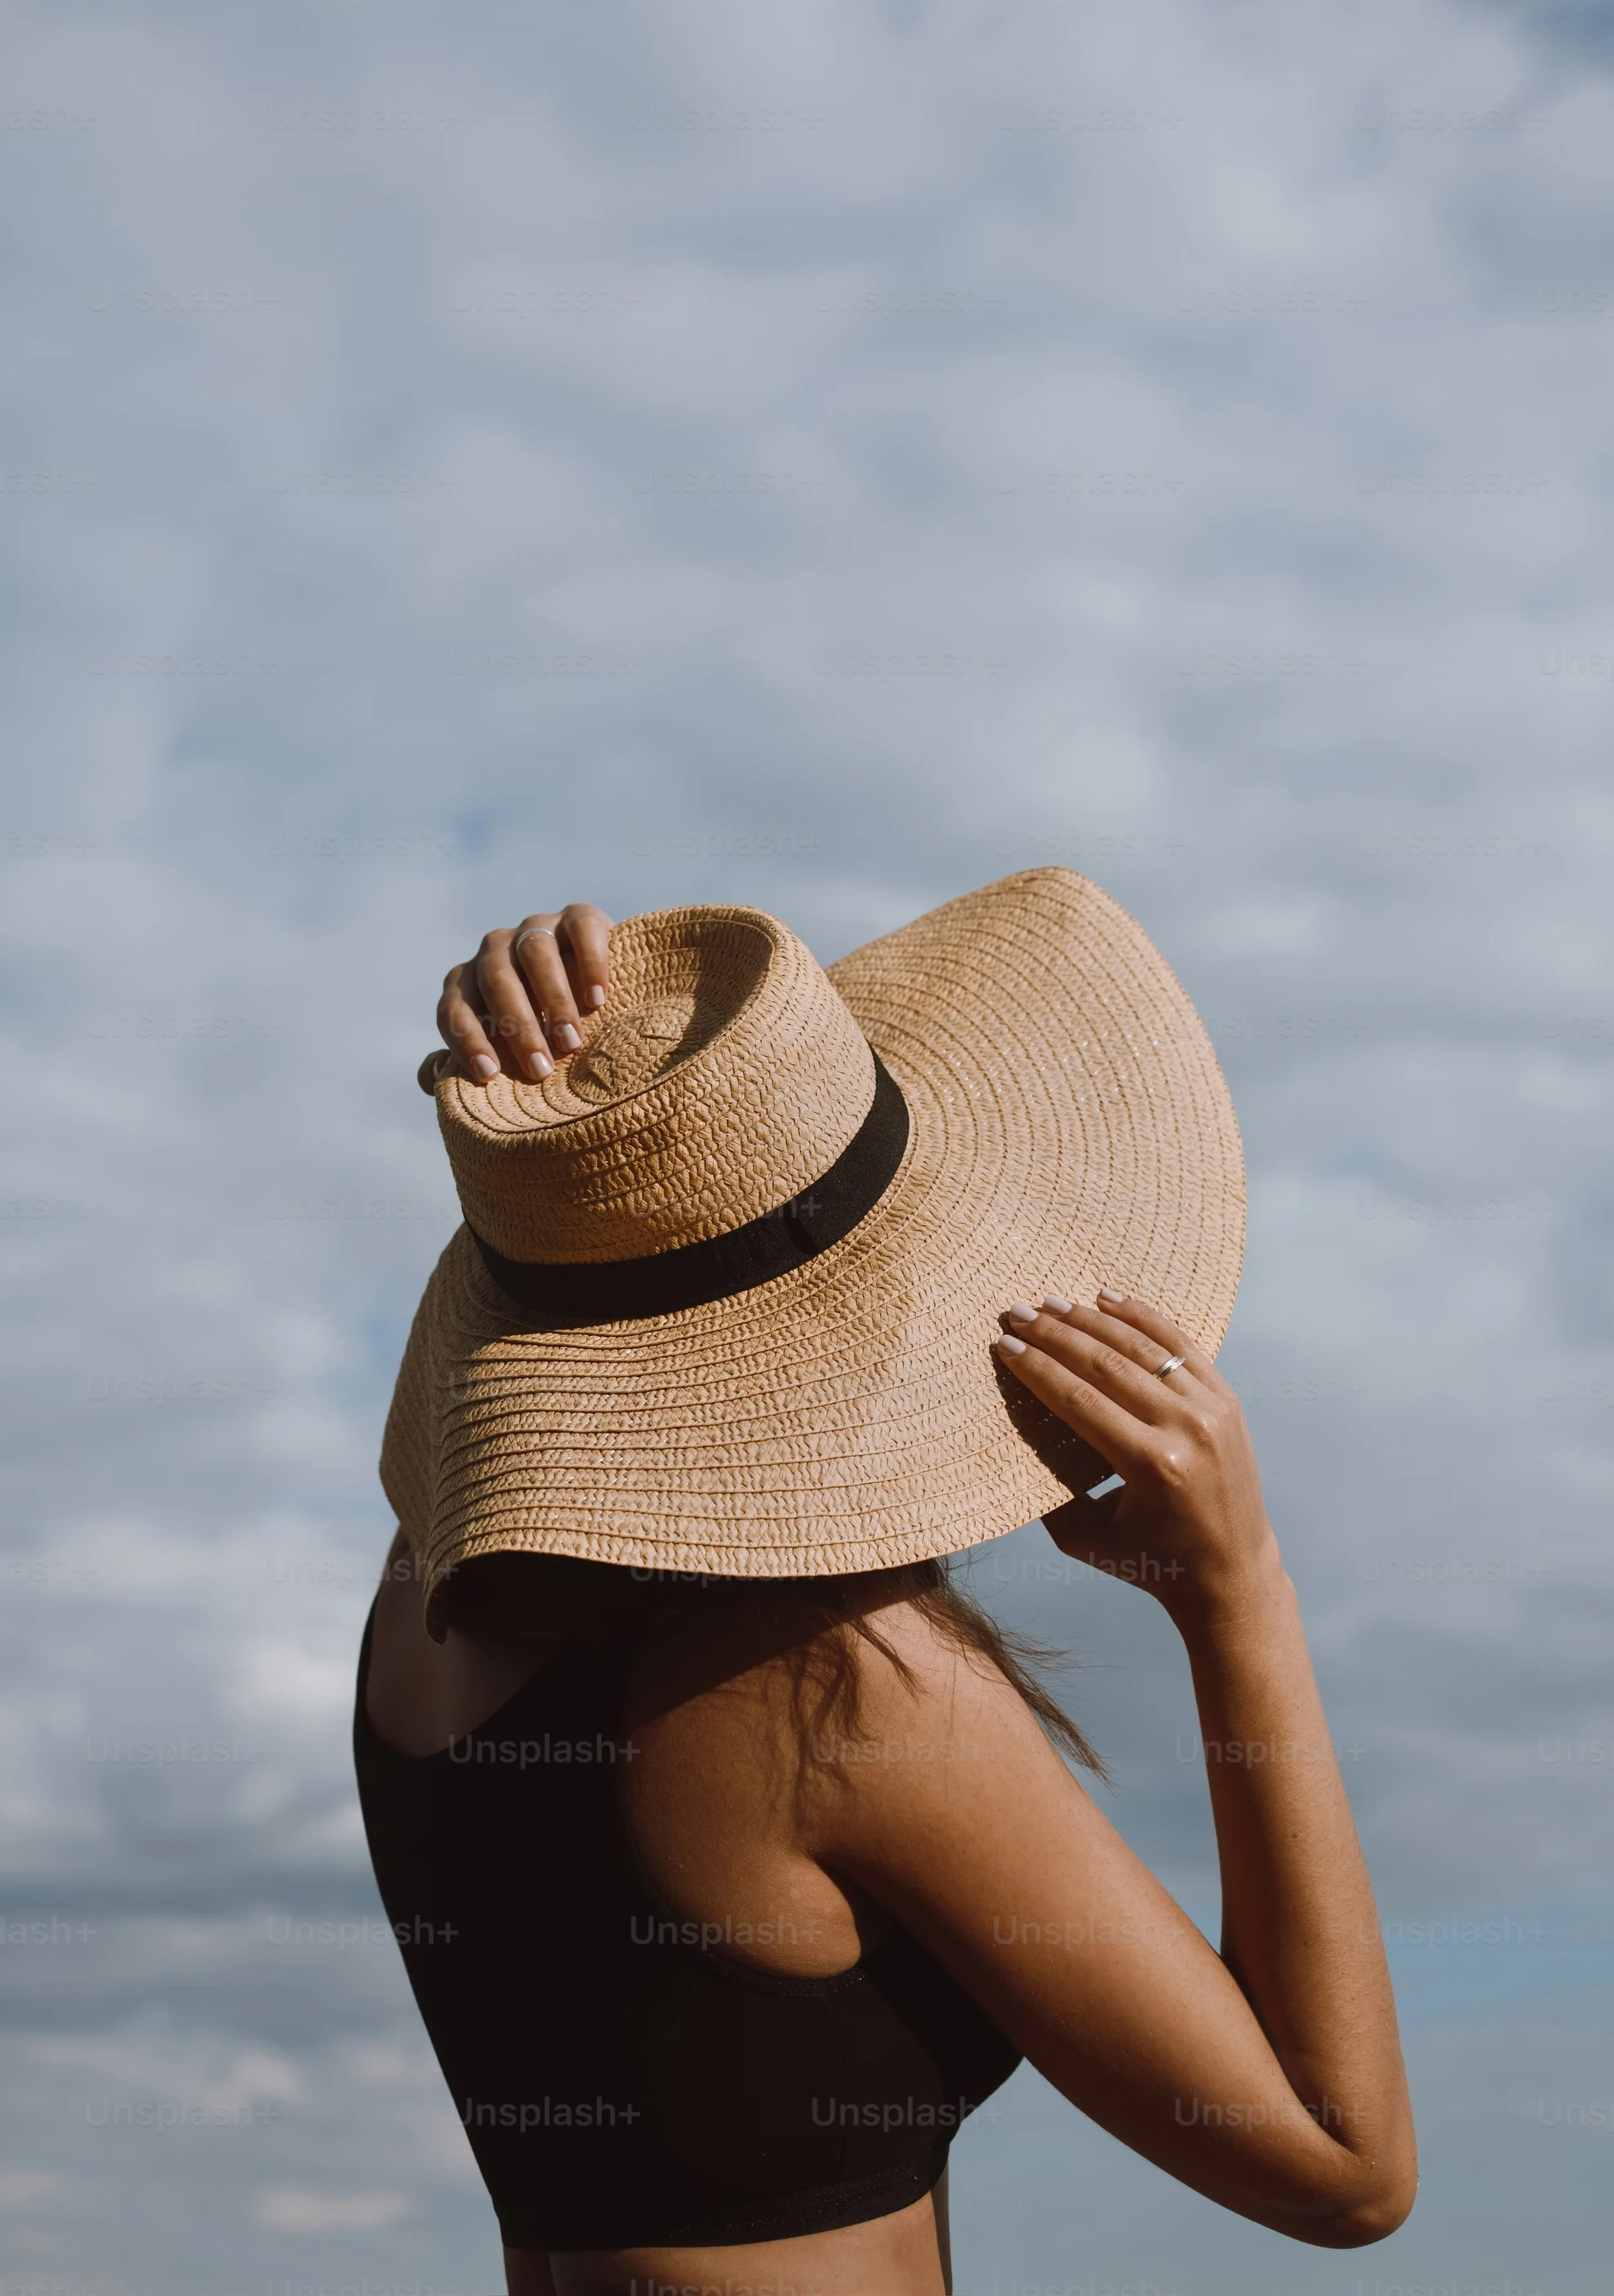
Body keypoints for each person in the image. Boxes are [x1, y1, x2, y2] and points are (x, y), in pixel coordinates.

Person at [358, 886, 1416, 2296]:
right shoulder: (828, 1690)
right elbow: (1340, 2169)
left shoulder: (429, 1593)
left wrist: (561, 1096)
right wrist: (1237, 1598)